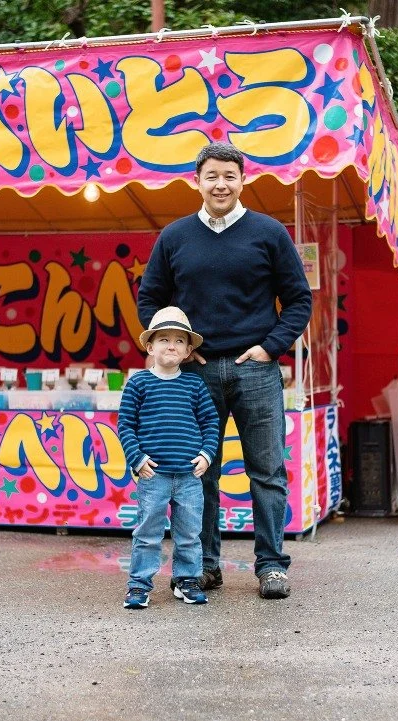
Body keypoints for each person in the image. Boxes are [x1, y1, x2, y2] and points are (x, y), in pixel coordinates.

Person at [137, 142, 312, 600]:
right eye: (212, 175)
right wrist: (179, 348)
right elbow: (149, 301)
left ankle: (272, 565)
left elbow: (298, 300)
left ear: (242, 180)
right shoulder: (174, 237)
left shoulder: (269, 233)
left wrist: (270, 347)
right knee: (201, 473)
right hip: (195, 375)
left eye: (229, 176)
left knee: (268, 471)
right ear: (197, 180)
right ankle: (205, 565)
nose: (220, 184)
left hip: (255, 371)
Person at [118, 306, 220, 609]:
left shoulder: (194, 385)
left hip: (189, 475)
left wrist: (207, 454)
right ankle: (139, 585)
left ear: (188, 350)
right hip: (153, 475)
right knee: (148, 532)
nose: (171, 346)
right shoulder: (138, 383)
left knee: (189, 532)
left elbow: (211, 423)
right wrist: (136, 459)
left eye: (178, 341)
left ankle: (187, 580)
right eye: (163, 340)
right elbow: (125, 425)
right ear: (150, 346)